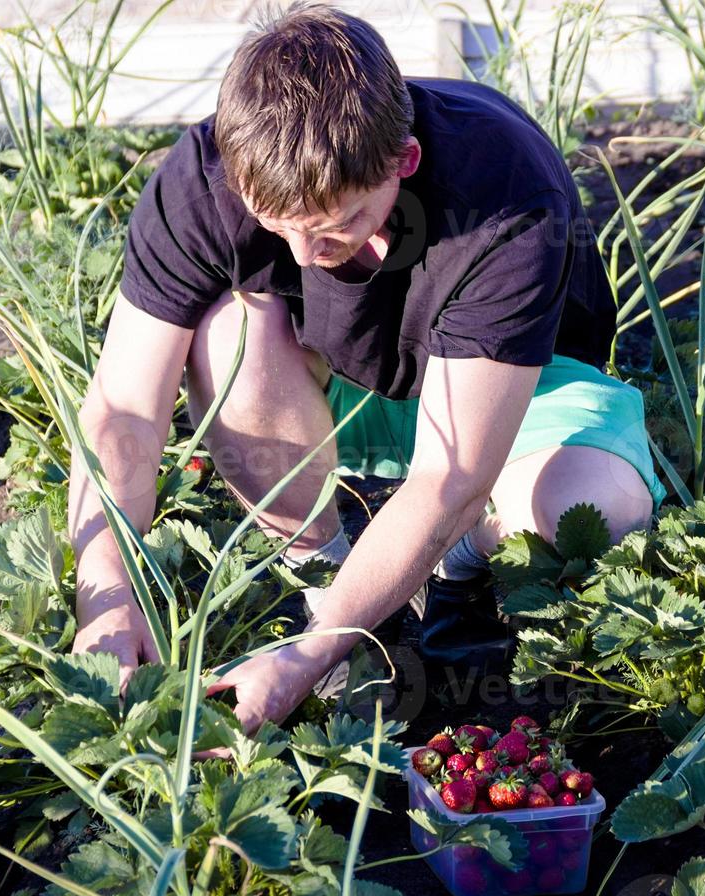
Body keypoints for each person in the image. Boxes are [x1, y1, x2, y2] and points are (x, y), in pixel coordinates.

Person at [67, 1, 664, 735]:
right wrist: (106, 595)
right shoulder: (204, 177)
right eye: (275, 224)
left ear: (403, 162)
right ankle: (325, 576)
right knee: (229, 330)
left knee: (593, 511)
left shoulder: (504, 194)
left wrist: (299, 663)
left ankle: (460, 565)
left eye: (336, 227)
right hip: (345, 387)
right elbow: (124, 406)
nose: (299, 256)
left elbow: (449, 473)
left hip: (511, 391)